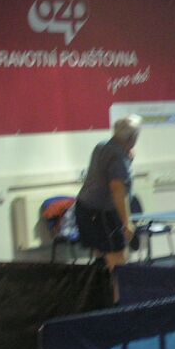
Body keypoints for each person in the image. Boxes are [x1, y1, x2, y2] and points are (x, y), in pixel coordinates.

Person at [75, 114, 142, 303]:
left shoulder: (102, 146)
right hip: (100, 213)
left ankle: (101, 302)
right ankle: (120, 305)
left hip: (85, 209)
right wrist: (127, 222)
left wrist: (127, 156)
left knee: (101, 256)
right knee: (117, 259)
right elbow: (117, 190)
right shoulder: (118, 157)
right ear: (132, 138)